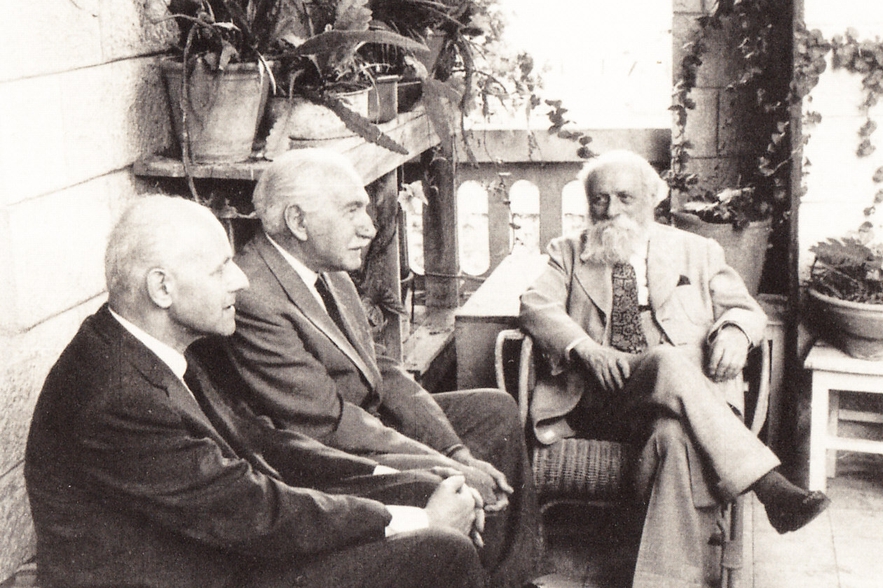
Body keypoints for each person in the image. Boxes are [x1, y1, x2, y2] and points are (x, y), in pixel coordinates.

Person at [25, 196, 488, 588]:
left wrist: (387, 473)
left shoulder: (159, 345)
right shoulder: (116, 395)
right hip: (199, 572)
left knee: (426, 488)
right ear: (162, 288)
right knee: (439, 549)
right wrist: (421, 521)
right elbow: (251, 511)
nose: (241, 280)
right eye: (220, 268)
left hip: (222, 547)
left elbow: (262, 440)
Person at [218, 148, 540, 588]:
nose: (369, 228)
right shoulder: (255, 297)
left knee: (494, 410)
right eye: (352, 210)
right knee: (445, 480)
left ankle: (505, 578)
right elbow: (326, 424)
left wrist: (454, 451)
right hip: (330, 456)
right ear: (297, 221)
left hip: (366, 424)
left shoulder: (328, 270)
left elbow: (382, 370)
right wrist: (446, 465)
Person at [518, 150, 831, 588]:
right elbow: (534, 306)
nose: (612, 210)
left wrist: (735, 333)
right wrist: (585, 348)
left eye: (625, 197)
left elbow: (745, 310)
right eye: (600, 200)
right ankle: (766, 482)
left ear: (653, 198)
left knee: (674, 439)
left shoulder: (698, 251)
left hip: (679, 410)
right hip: (601, 398)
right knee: (668, 359)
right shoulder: (568, 253)